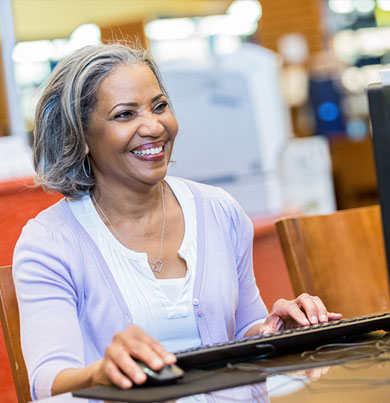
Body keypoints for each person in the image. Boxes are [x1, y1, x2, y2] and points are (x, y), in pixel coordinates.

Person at [13, 42, 342, 400]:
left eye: (159, 106)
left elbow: (245, 329)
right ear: (81, 136)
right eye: (125, 114)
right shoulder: (50, 242)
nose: (153, 126)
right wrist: (102, 372)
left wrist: (277, 332)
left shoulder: (219, 211)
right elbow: (47, 382)